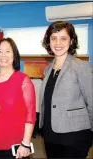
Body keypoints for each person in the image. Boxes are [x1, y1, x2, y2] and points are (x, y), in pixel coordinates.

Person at [39, 21, 93, 158]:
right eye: (53, 38)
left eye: (63, 38)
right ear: (48, 41)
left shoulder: (81, 66)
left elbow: (92, 102)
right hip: (51, 135)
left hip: (75, 137)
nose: (58, 43)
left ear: (71, 41)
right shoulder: (47, 69)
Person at [0, 38, 36, 158]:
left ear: (14, 55)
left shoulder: (23, 81)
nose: (3, 55)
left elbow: (30, 115)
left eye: (8, 51)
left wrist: (25, 144)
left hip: (16, 147)